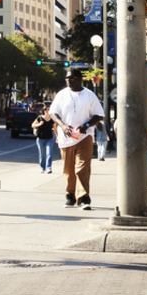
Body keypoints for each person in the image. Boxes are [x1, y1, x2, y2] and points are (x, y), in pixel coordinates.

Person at [48, 69, 104, 210]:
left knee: (82, 168)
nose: (68, 80)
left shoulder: (89, 95)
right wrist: (63, 126)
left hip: (84, 137)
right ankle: (70, 195)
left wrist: (86, 125)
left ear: (80, 79)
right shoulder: (61, 95)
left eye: (71, 78)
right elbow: (53, 113)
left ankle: (84, 197)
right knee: (69, 170)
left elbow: (99, 115)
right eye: (67, 78)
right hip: (66, 138)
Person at [32, 105, 55, 173]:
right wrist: (39, 124)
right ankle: (42, 168)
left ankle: (49, 168)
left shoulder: (52, 119)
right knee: (42, 154)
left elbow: (55, 128)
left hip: (50, 139)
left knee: (49, 153)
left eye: (49, 110)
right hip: (40, 139)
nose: (47, 111)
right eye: (46, 110)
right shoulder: (40, 118)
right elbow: (32, 125)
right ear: (44, 111)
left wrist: (57, 136)